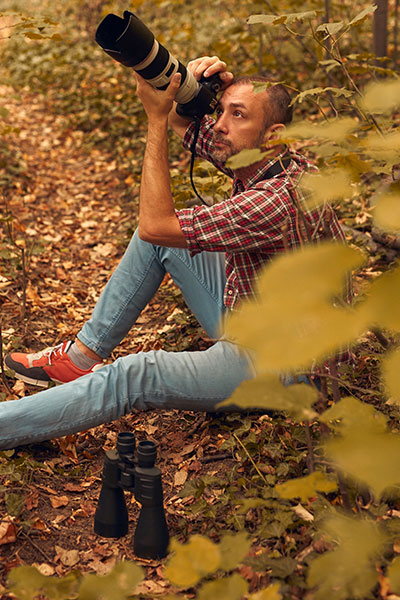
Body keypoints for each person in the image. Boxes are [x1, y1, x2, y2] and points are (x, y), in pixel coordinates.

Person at [1, 56, 345, 450]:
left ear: (273, 134)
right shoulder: (267, 163)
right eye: (221, 112)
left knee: (134, 374)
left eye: (238, 115)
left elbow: (154, 221)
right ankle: (80, 357)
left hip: (286, 367)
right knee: (158, 242)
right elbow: (186, 126)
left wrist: (154, 119)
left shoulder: (277, 200)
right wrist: (192, 95)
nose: (220, 125)